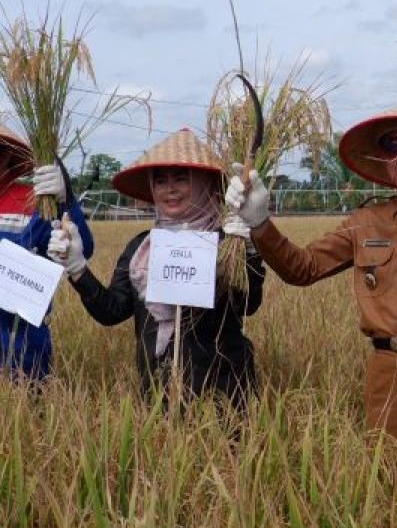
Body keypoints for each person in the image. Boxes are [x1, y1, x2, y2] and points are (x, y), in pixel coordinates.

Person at [224, 36, 397, 465]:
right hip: (385, 372)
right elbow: (301, 268)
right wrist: (260, 223)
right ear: (383, 161)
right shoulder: (365, 221)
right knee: (392, 488)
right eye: (395, 147)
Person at [49, 129, 262, 408]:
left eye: (181, 179)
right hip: (158, 397)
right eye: (160, 181)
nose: (169, 189)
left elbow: (249, 304)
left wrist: (250, 250)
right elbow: (111, 311)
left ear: (203, 184)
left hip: (225, 398)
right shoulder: (142, 247)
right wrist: (77, 269)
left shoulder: (227, 241)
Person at [0, 124, 95, 381]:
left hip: (22, 348)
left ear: (8, 157)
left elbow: (83, 248)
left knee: (26, 413)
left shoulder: (35, 200)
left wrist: (65, 201)